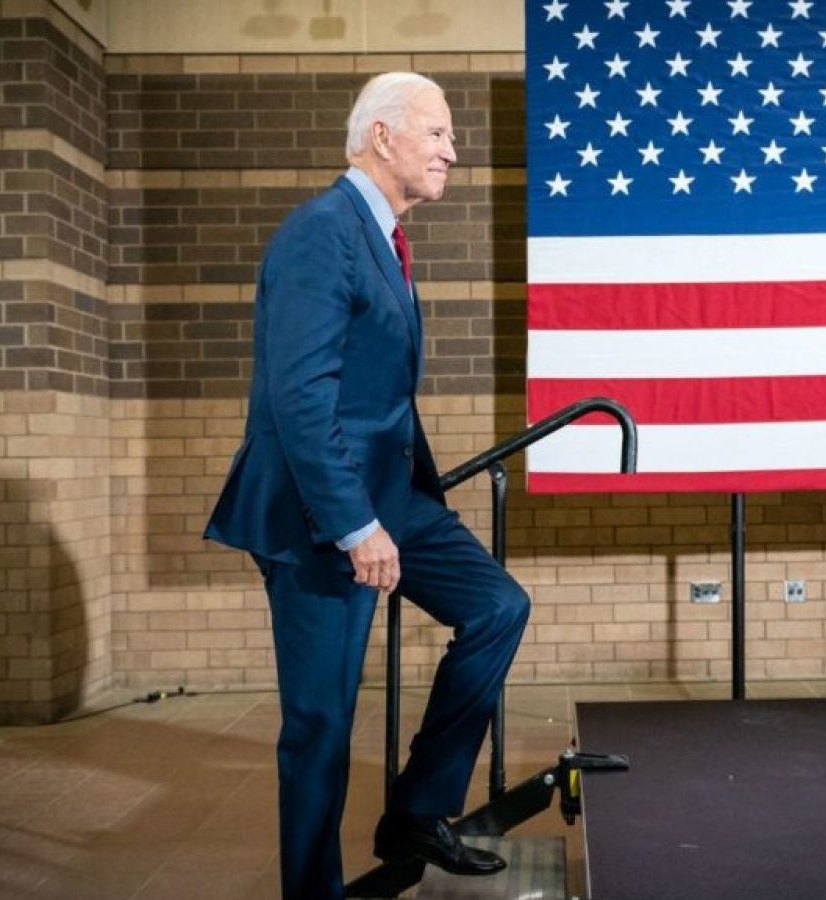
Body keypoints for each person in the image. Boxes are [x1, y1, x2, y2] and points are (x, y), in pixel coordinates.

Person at [204, 72, 530, 900]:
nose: (452, 152)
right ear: (382, 135)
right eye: (438, 134)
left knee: (497, 606)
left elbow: (375, 391)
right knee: (321, 725)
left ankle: (419, 810)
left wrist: (398, 505)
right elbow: (301, 394)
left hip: (393, 498)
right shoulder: (322, 232)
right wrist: (355, 527)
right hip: (320, 514)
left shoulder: (382, 236)